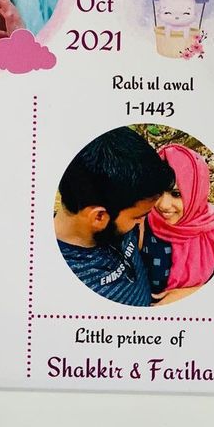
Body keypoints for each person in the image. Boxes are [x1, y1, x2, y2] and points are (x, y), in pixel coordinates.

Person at [55, 127, 174, 306]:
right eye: (138, 217)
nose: (144, 222)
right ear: (99, 217)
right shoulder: (64, 287)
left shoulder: (116, 207)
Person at [141, 144, 214, 302]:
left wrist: (191, 293)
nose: (163, 205)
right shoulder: (141, 223)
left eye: (176, 194)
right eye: (158, 192)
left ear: (196, 191)